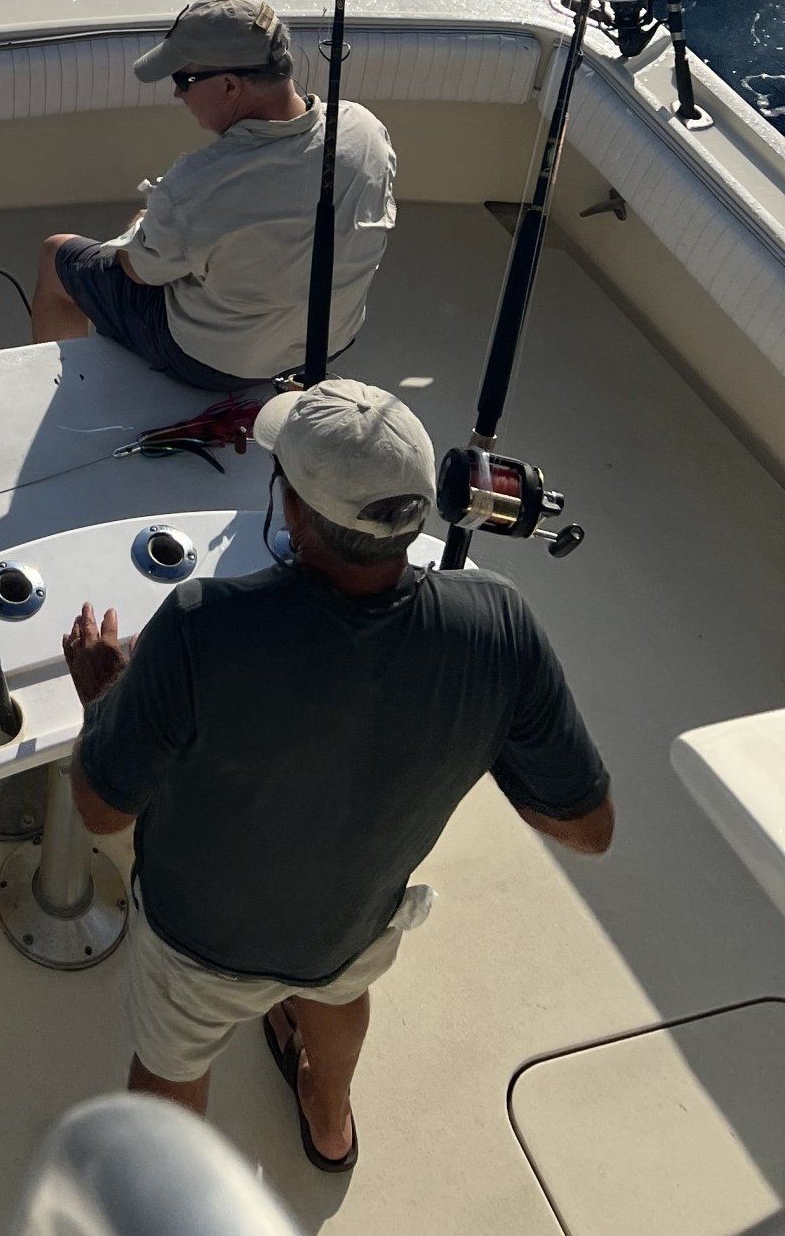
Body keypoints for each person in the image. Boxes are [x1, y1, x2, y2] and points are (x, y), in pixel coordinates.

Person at [62, 381, 613, 1173]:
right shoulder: (501, 625)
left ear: (291, 511)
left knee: (171, 1063)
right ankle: (330, 1123)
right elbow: (589, 830)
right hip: (351, 926)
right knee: (335, 994)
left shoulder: (197, 627)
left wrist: (105, 695)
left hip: (198, 943)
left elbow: (99, 808)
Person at [31, 0, 395, 390]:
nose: (176, 93)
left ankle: (64, 395)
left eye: (183, 79)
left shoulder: (199, 183)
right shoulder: (364, 128)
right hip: (327, 345)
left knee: (56, 255)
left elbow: (138, 270)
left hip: (214, 365)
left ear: (229, 86)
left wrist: (146, 219)